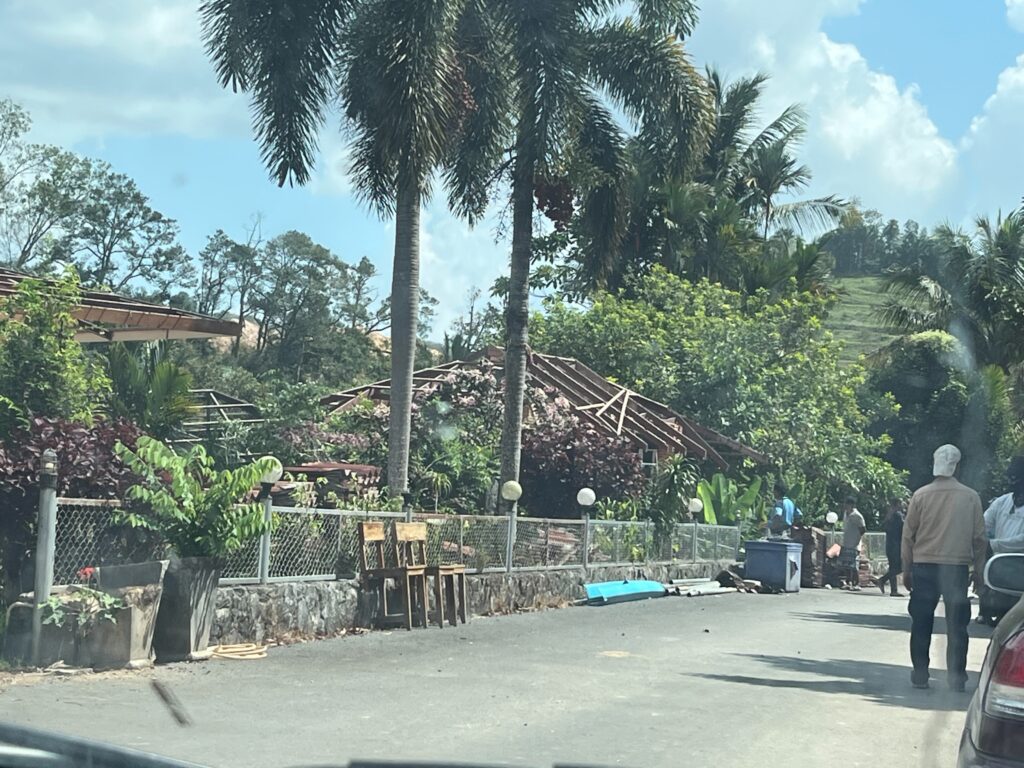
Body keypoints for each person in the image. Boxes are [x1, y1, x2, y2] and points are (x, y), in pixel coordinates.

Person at [902, 444, 986, 692]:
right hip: (956, 569)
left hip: (924, 567)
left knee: (921, 623)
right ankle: (957, 678)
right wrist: (979, 572)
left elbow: (908, 536)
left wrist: (906, 569)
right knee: (957, 626)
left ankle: (920, 675)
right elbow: (979, 539)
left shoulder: (920, 495)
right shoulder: (971, 497)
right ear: (957, 467)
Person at [978, 456, 1024, 624]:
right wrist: (981, 541)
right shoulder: (1001, 502)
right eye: (1010, 478)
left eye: (1016, 478)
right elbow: (983, 525)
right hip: (998, 565)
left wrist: (994, 544)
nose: (1012, 482)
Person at [873, 499, 905, 596]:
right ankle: (882, 580)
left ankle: (893, 590)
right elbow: (905, 528)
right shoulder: (898, 515)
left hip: (889, 545)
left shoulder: (889, 516)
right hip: (896, 545)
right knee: (901, 567)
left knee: (893, 567)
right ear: (897, 504)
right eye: (901, 503)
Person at [839, 497, 866, 590]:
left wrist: (857, 539)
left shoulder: (857, 515)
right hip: (846, 542)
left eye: (847, 504)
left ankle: (856, 583)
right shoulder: (846, 514)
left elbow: (863, 529)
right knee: (846, 564)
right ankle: (848, 583)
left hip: (854, 544)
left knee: (854, 565)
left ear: (852, 505)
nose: (845, 506)